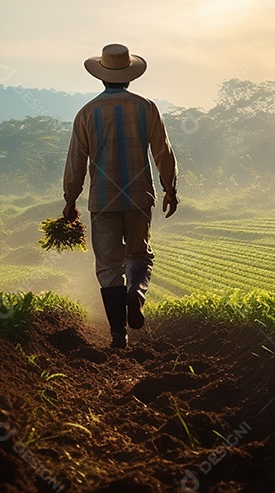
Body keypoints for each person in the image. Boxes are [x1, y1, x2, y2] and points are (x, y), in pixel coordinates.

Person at [62, 43, 179, 349]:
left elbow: (76, 161)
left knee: (108, 266)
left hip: (103, 199)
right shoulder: (146, 108)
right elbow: (162, 152)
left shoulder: (86, 113)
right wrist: (170, 189)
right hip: (140, 196)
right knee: (139, 254)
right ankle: (137, 293)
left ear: (101, 77)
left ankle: (118, 335)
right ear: (130, 77)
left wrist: (70, 199)